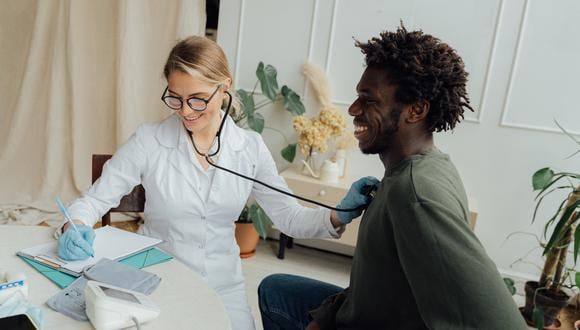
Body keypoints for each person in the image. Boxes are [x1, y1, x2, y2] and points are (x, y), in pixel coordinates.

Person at [54, 36, 377, 330]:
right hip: (157, 276)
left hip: (222, 284)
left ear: (225, 87)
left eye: (197, 99)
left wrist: (337, 215)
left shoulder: (248, 148)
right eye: (175, 98)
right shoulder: (149, 140)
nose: (185, 111)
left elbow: (288, 217)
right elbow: (96, 199)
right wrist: (75, 224)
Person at [257, 25, 528, 329]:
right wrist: (322, 319)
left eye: (368, 99)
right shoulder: (415, 168)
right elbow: (379, 283)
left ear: (416, 110)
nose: (354, 109)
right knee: (275, 291)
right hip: (367, 312)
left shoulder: (416, 194)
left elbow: (500, 322)